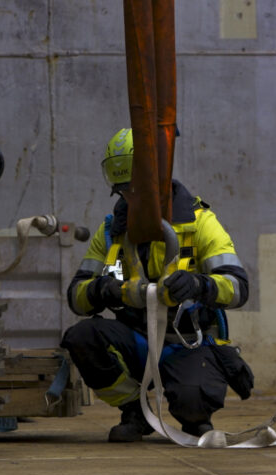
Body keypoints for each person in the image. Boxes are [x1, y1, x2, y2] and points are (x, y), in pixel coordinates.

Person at [61, 128, 254, 442]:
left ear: (157, 183)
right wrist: (104, 290)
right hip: (135, 339)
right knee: (82, 337)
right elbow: (76, 297)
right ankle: (135, 411)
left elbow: (238, 287)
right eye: (123, 192)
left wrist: (197, 284)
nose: (129, 199)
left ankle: (194, 416)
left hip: (186, 341)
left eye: (134, 191)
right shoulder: (112, 231)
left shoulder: (199, 222)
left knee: (194, 402)